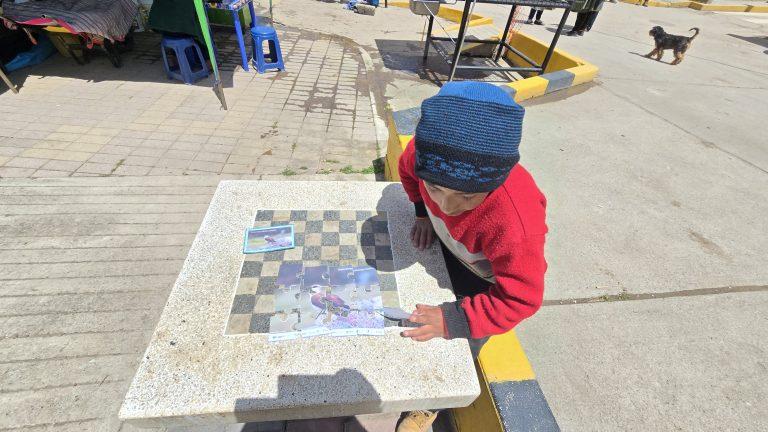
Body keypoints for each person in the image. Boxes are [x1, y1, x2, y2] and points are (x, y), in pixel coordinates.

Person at [395, 82, 548, 432]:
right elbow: (407, 172)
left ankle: (431, 403)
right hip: (454, 250)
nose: (447, 206)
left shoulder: (516, 222)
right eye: (435, 188)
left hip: (485, 279)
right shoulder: (420, 155)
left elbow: (521, 298)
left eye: (467, 196)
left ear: (494, 182)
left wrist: (454, 320)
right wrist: (421, 213)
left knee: (461, 343)